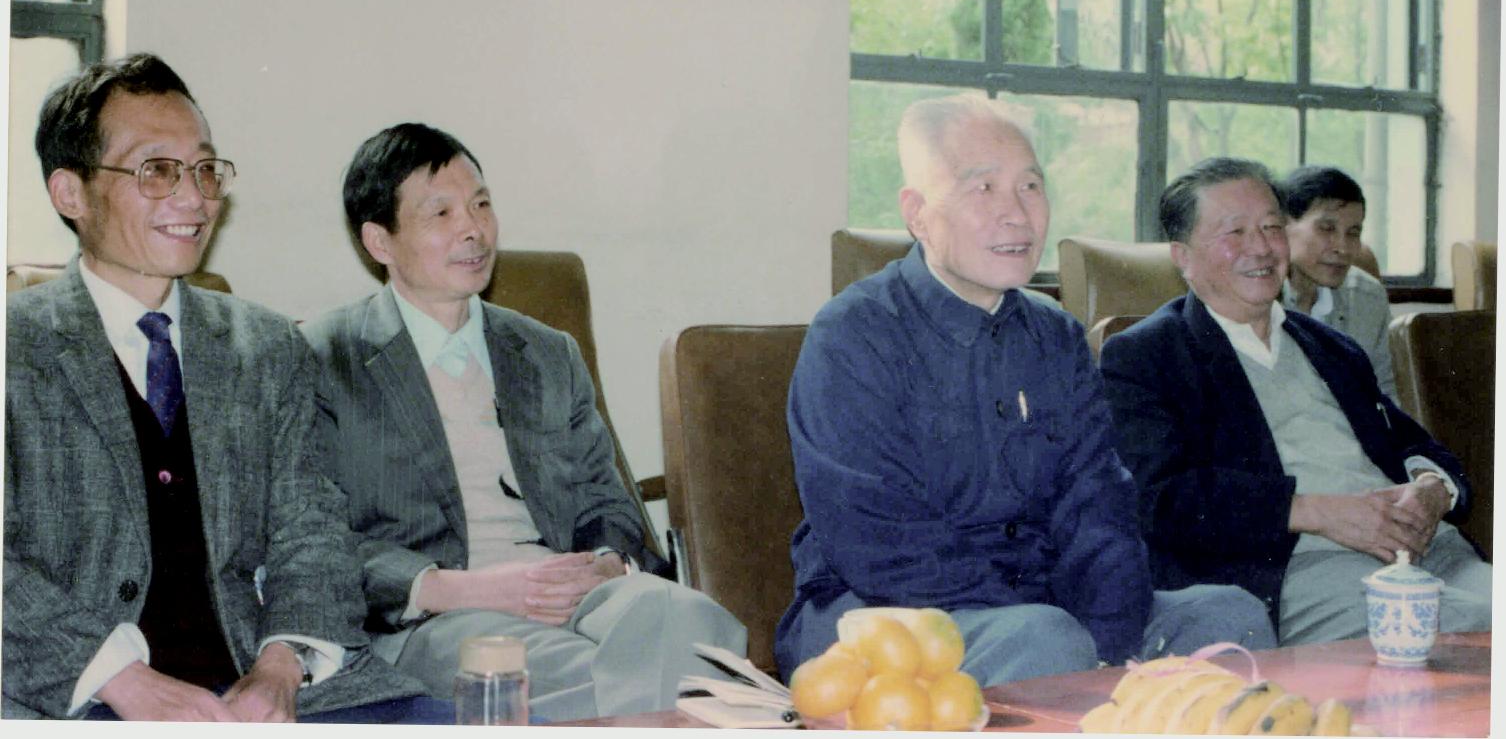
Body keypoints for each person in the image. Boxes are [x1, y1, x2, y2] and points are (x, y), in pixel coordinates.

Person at [773, 95, 1274, 686]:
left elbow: (1099, 503)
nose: (1016, 214)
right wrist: (1051, 623)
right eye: (983, 188)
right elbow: (880, 543)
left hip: (1047, 614)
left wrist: (1110, 636)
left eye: (1031, 187)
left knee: (1229, 616)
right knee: (1043, 642)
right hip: (886, 616)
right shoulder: (855, 333)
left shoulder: (1054, 335)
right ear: (918, 213)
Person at [4, 53, 447, 722]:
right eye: (157, 170)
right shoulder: (17, 347)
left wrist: (282, 666)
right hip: (72, 700)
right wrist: (124, 681)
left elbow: (313, 530)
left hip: (268, 691)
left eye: (205, 169)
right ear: (70, 193)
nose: (195, 197)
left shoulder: (267, 346)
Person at [303, 122, 746, 722]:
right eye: (441, 213)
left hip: (574, 590)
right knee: (657, 680)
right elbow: (316, 542)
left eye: (481, 204)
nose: (473, 228)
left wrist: (604, 564)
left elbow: (607, 504)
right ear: (379, 240)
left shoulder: (546, 352)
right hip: (442, 615)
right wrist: (468, 588)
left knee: (691, 621)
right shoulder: (323, 357)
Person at [1100, 157, 1491, 646]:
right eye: (1236, 232)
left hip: (1431, 549)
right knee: (1469, 630)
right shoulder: (1148, 355)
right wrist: (1314, 511)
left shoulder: (1331, 346)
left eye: (1271, 227)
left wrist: (1434, 489)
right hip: (1305, 567)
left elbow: (1412, 442)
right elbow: (1159, 499)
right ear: (1183, 256)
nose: (1262, 247)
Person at [1278, 165, 1398, 404]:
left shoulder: (1367, 297)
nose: (1343, 248)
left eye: (1353, 232)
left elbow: (1389, 391)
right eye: (1327, 228)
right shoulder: (1256, 298)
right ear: (1283, 226)